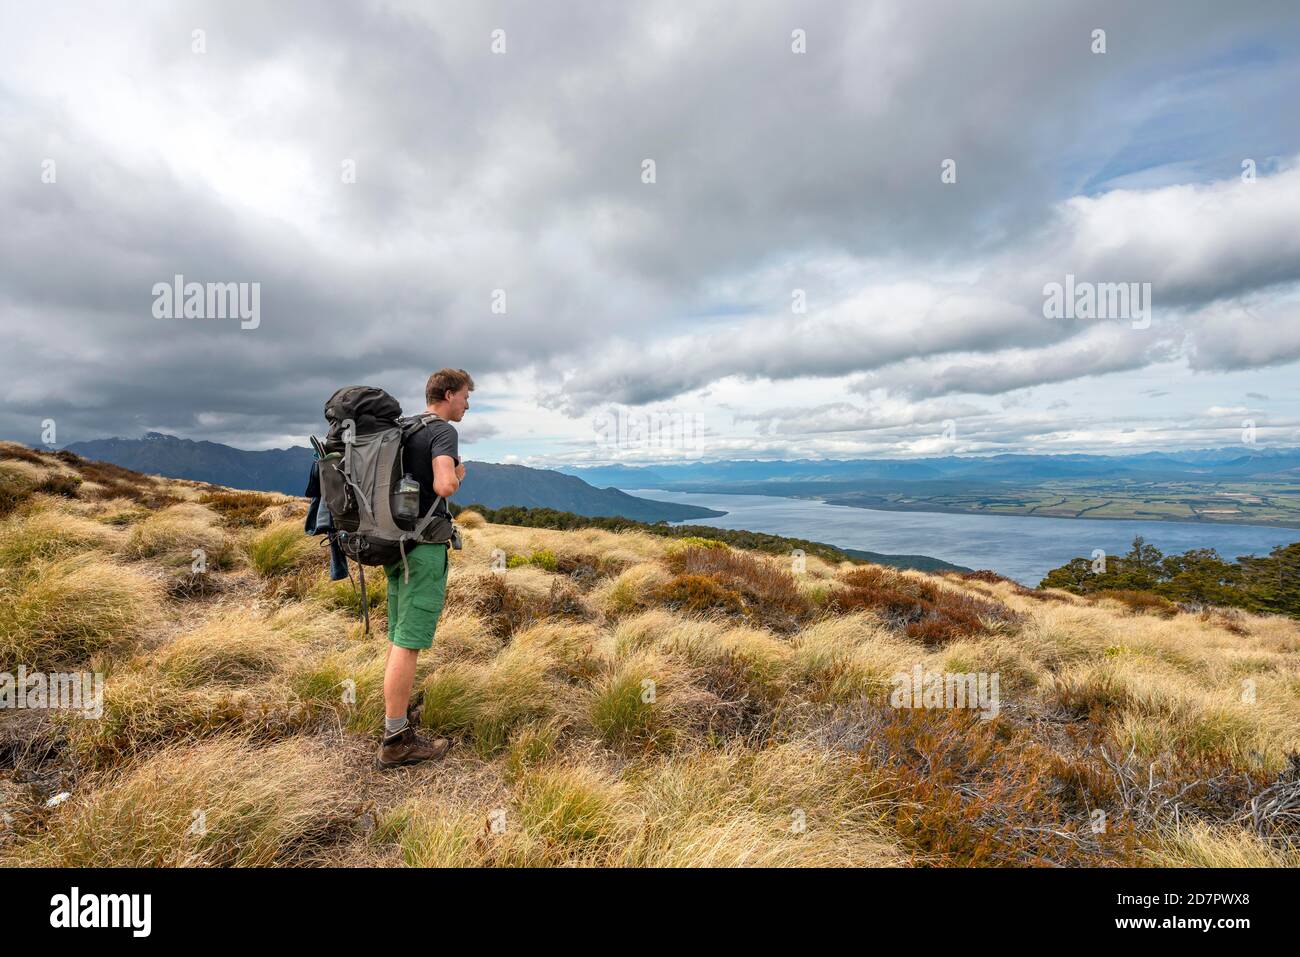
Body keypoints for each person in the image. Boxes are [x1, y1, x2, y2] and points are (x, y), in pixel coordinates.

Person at [376, 367, 473, 769]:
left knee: (400, 634)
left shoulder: (406, 427)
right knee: (409, 641)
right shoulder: (442, 432)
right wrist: (458, 476)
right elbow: (443, 486)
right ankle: (395, 739)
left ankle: (397, 716)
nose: (468, 404)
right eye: (466, 396)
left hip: (394, 546)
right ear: (448, 394)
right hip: (423, 549)